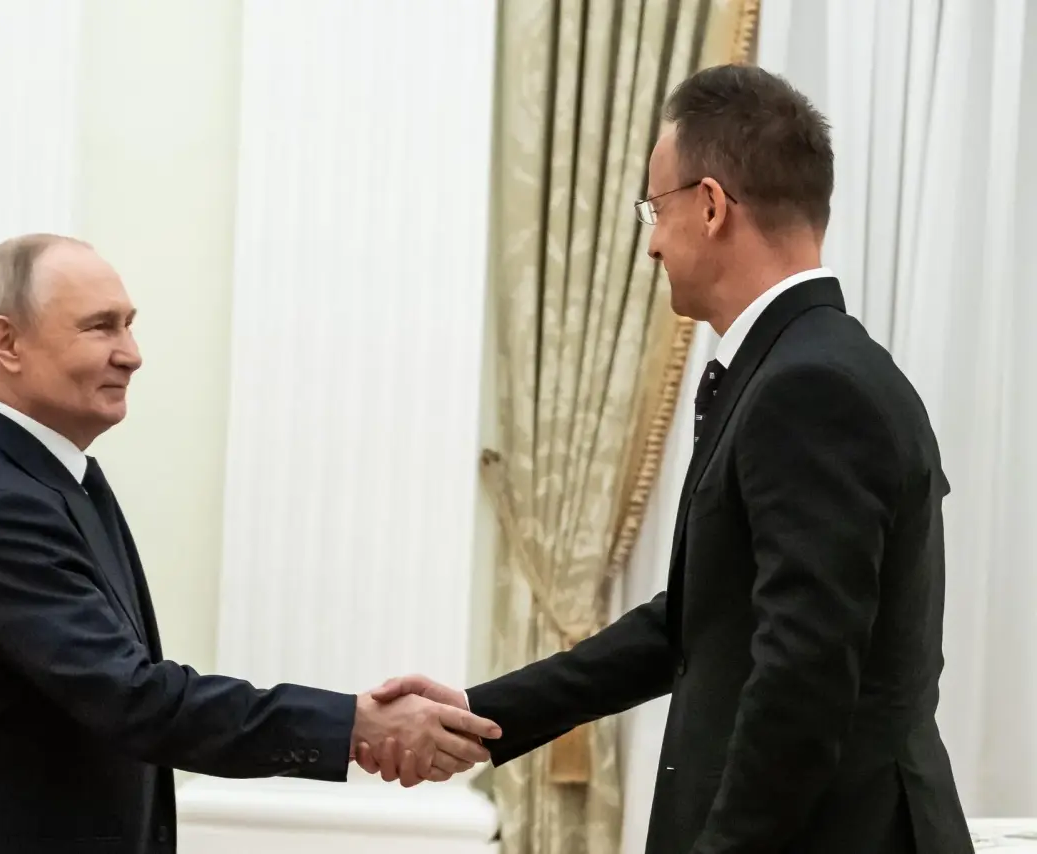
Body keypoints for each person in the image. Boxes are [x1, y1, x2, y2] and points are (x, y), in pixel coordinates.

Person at [357, 65, 972, 853]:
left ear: (711, 205)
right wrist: (477, 715)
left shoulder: (809, 386)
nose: (650, 241)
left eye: (655, 207)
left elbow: (804, 680)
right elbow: (691, 622)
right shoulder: (811, 365)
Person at [0, 234, 501, 854]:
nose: (132, 354)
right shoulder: (0, 505)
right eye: (100, 327)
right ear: (7, 342)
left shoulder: (53, 481)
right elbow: (136, 701)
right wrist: (355, 723)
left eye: (129, 325)